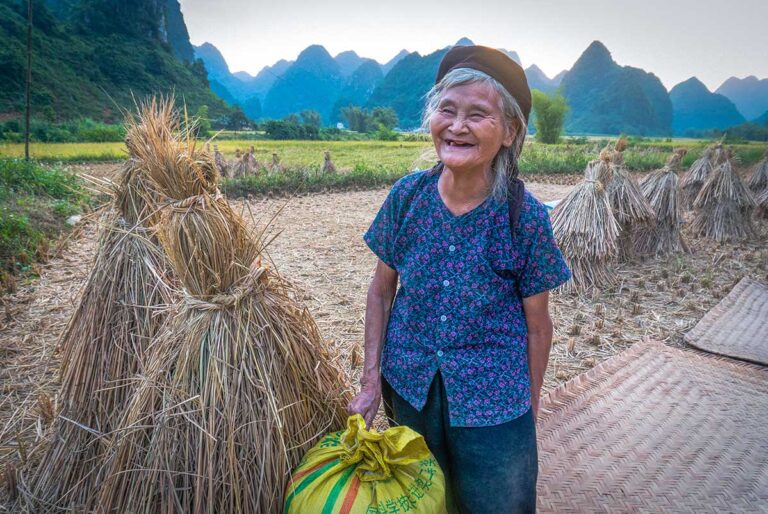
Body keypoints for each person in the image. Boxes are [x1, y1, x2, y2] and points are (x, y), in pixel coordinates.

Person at [347, 45, 571, 513]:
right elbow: (381, 292)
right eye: (446, 110)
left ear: (509, 132)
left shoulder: (523, 216)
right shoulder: (407, 197)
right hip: (411, 390)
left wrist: (523, 415)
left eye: (477, 114)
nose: (457, 125)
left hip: (494, 404)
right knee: (423, 503)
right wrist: (371, 383)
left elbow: (538, 326)